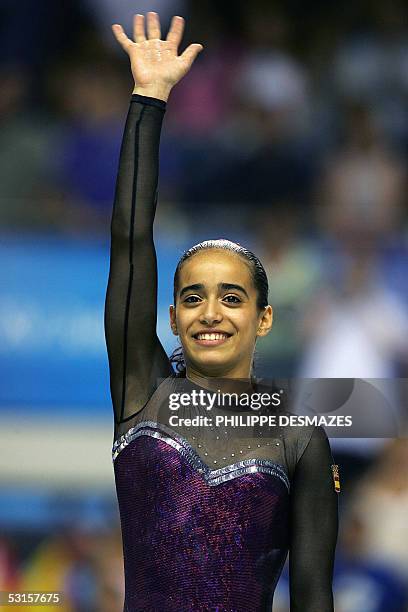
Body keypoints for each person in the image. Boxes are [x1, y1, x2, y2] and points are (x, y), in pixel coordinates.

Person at [105, 11, 338, 611]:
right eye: (192, 297)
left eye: (232, 298)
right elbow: (132, 237)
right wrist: (149, 98)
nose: (211, 312)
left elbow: (314, 598)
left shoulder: (300, 437)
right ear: (174, 319)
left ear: (264, 318)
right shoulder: (143, 392)